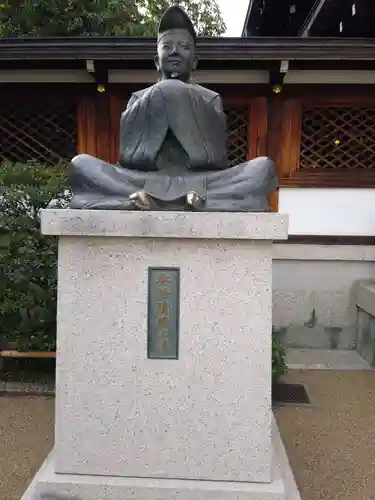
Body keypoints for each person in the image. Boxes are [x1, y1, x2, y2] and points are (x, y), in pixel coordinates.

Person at [68, 5, 278, 211]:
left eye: (184, 47)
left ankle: (134, 202)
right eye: (167, 46)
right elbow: (130, 159)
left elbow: (215, 159)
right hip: (142, 180)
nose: (175, 52)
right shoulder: (138, 98)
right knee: (81, 165)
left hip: (202, 180)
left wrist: (178, 97)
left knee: (263, 169)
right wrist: (161, 96)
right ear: (156, 61)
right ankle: (199, 203)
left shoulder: (210, 98)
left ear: (194, 62)